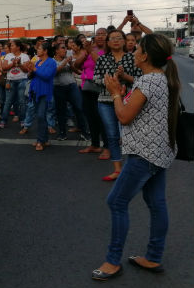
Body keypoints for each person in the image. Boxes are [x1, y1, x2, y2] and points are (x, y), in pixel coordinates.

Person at [91, 34, 180, 281]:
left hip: (143, 155)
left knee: (116, 202)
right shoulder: (159, 78)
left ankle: (112, 261)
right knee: (156, 204)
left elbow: (124, 117)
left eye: (137, 48)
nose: (134, 51)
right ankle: (153, 257)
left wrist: (115, 94)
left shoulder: (148, 81)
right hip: (159, 151)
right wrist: (122, 92)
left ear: (145, 55)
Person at [93, 30, 142, 181]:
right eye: (112, 38)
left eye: (119, 38)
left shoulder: (132, 58)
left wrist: (124, 77)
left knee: (129, 136)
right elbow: (95, 78)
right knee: (113, 136)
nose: (115, 41)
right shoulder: (102, 59)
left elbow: (140, 80)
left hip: (128, 101)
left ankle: (132, 169)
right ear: (107, 42)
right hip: (106, 102)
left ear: (124, 41)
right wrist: (110, 83)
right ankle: (117, 169)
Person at [75, 28, 108, 157]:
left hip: (102, 88)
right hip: (87, 86)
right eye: (98, 34)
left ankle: (107, 147)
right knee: (91, 117)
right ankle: (95, 144)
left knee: (103, 118)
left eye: (103, 34)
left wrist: (89, 51)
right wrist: (85, 53)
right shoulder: (89, 50)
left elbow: (101, 64)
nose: (100, 36)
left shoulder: (108, 50)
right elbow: (77, 65)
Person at [52, 43, 89, 141]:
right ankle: (62, 133)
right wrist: (65, 62)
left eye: (65, 48)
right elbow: (54, 72)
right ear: (56, 50)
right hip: (58, 88)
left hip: (72, 86)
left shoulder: (68, 59)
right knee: (61, 111)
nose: (65, 50)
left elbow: (76, 71)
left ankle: (84, 132)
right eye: (63, 48)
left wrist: (71, 64)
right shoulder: (52, 61)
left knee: (79, 108)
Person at [26, 42, 57, 151]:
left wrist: (34, 69)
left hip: (44, 92)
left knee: (40, 116)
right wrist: (30, 71)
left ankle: (40, 140)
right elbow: (32, 77)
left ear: (45, 51)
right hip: (35, 92)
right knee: (41, 116)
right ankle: (44, 139)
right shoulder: (38, 61)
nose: (37, 50)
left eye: (39, 49)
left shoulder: (51, 62)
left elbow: (46, 76)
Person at [0, 40, 30, 128]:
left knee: (22, 101)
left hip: (22, 80)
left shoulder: (25, 56)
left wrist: (19, 64)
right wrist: (13, 64)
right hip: (10, 81)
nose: (10, 47)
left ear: (18, 47)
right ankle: (3, 121)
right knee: (8, 102)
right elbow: (4, 68)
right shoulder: (8, 56)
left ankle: (23, 120)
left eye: (12, 45)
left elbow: (26, 70)